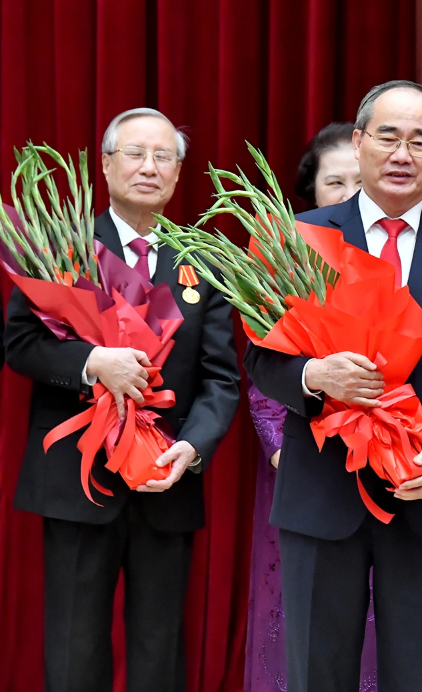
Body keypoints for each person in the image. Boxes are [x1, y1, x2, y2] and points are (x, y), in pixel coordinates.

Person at [244, 80, 422, 692]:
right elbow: (260, 361)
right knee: (319, 672)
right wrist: (314, 375)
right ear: (360, 142)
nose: (403, 153)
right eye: (388, 136)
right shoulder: (300, 236)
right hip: (322, 489)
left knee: (414, 675)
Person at [6, 107, 241, 692]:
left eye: (164, 156)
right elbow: (20, 345)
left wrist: (193, 447)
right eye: (135, 153)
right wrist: (93, 363)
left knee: (160, 645)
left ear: (179, 173)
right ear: (107, 165)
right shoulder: (65, 244)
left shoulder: (204, 261)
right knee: (73, 642)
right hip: (77, 481)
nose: (149, 166)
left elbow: (221, 378)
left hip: (165, 478)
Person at [245, 122, 372, 692]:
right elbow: (262, 362)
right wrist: (277, 446)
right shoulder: (287, 257)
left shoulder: (402, 253)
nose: (347, 193)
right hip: (304, 458)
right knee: (306, 615)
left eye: (356, 180)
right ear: (313, 191)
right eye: (334, 181)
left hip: (387, 459)